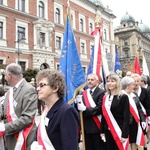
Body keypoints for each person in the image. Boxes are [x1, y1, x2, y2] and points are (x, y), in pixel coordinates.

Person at [31, 69, 79, 150]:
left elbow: (70, 146)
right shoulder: (45, 110)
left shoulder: (67, 111)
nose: (38, 89)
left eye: (42, 85)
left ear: (55, 88)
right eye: (38, 86)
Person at [0, 63, 38, 150]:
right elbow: (3, 110)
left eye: (5, 75)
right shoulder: (11, 90)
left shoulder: (28, 90)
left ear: (9, 76)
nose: (5, 78)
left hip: (22, 138)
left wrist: (4, 127)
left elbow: (27, 118)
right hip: (10, 137)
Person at [100, 73, 130, 150]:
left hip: (118, 130)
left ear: (117, 83)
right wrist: (102, 131)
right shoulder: (105, 97)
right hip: (107, 130)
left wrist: (124, 135)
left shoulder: (123, 97)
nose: (110, 83)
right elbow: (104, 115)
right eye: (108, 81)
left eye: (112, 81)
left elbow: (126, 116)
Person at [76, 73, 105, 150]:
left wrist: (86, 109)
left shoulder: (101, 92)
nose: (90, 81)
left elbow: (99, 109)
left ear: (97, 81)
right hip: (85, 127)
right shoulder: (84, 93)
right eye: (88, 80)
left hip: (96, 127)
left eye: (92, 80)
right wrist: (77, 103)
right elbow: (79, 110)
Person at [121, 76, 146, 150]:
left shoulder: (134, 94)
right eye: (132, 84)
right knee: (126, 142)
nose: (134, 85)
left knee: (135, 141)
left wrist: (143, 120)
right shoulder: (121, 95)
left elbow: (139, 108)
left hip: (135, 122)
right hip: (125, 122)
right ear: (127, 86)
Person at [131, 73, 150, 150]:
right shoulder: (128, 92)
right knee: (134, 137)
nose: (136, 83)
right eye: (134, 81)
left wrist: (148, 117)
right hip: (133, 118)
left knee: (143, 134)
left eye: (137, 81)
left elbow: (148, 105)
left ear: (140, 81)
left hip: (143, 117)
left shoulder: (145, 91)